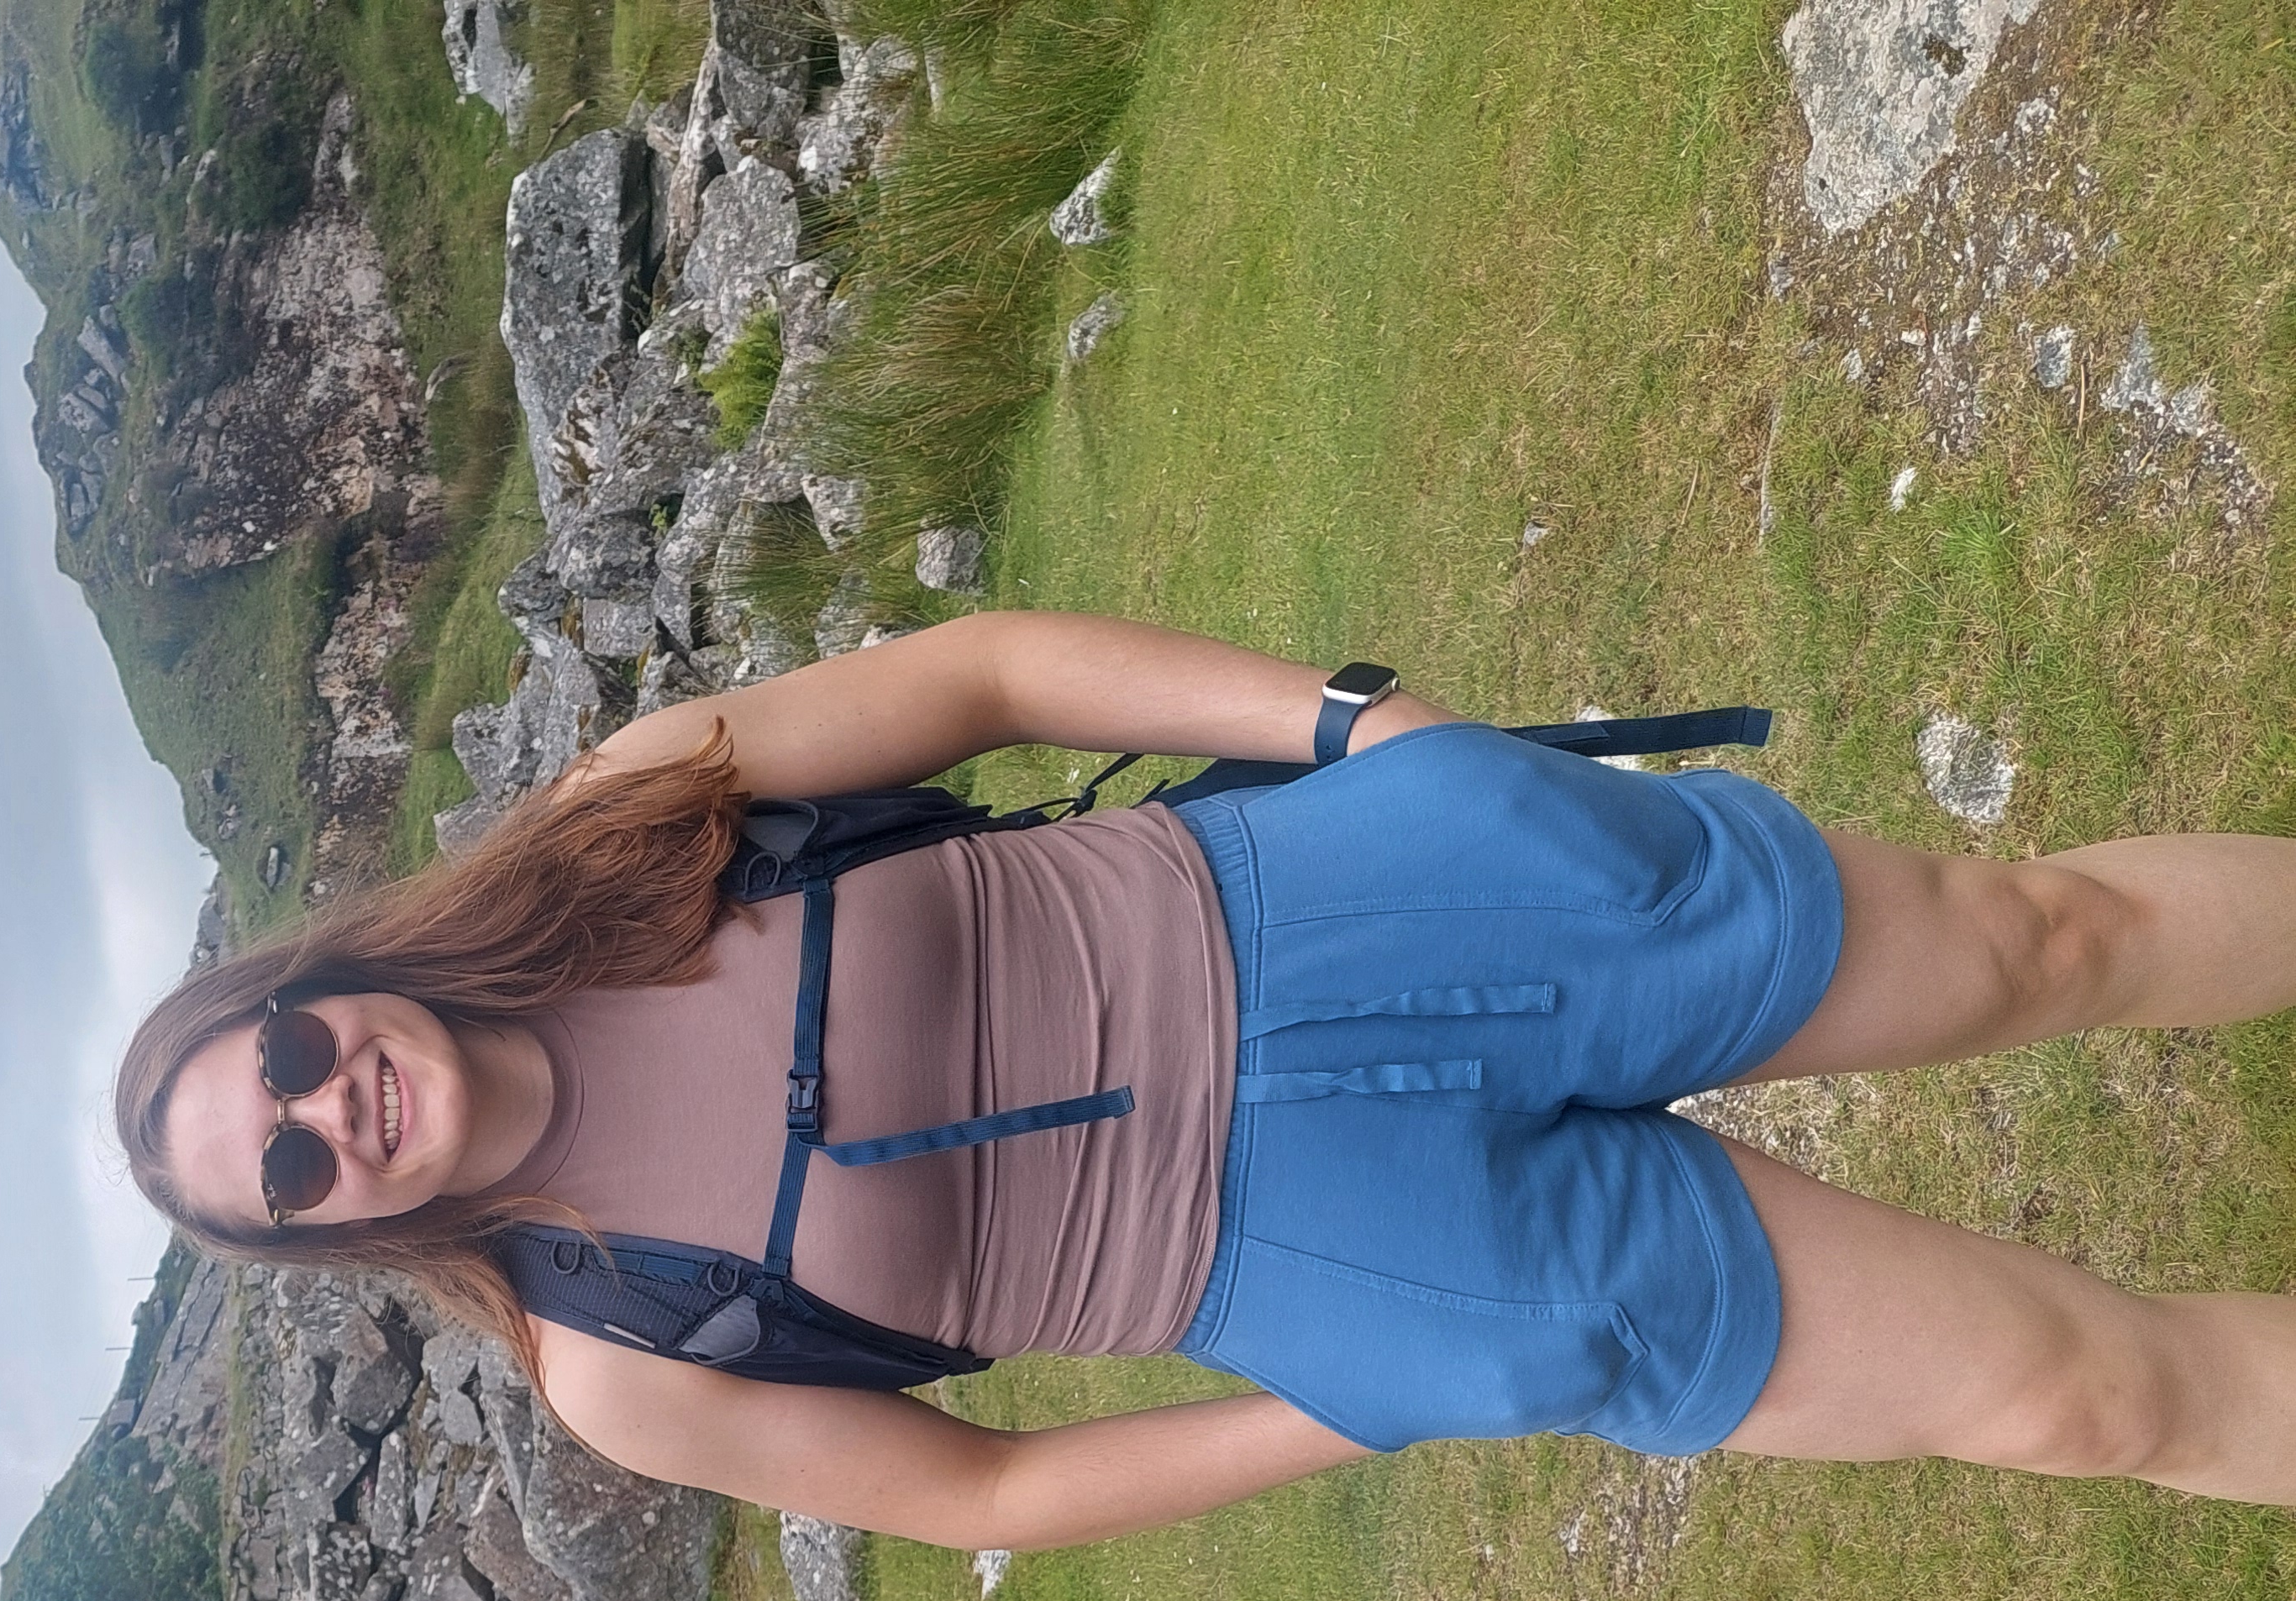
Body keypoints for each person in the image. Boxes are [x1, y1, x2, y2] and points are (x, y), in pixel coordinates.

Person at [114, 611, 2296, 1549]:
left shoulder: (615, 821)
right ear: (337, 1226)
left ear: (313, 984)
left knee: (2036, 942)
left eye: (286, 1059)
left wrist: (1356, 725)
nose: (330, 1108)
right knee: (2069, 1402)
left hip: (1338, 897)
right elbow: (985, 1495)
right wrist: (1342, 1398)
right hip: (1336, 1261)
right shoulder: (614, 1355)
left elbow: (981, 676)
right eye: (289, 1167)